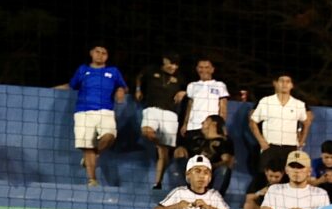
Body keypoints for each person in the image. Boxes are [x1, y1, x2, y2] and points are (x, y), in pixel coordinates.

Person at [58, 46, 127, 187]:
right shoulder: (83, 70)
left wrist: (120, 90)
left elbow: (123, 86)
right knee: (86, 146)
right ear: (91, 53)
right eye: (97, 52)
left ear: (107, 56)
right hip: (83, 112)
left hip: (106, 111)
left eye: (104, 53)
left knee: (109, 136)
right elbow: (71, 85)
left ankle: (94, 155)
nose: (100, 55)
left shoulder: (113, 71)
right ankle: (92, 180)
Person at [135, 54, 185, 191]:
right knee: (146, 132)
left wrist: (183, 92)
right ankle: (159, 143)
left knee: (164, 153)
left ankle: (158, 182)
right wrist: (138, 89)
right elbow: (139, 77)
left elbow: (189, 89)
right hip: (152, 109)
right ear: (164, 61)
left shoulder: (180, 77)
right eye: (171, 64)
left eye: (176, 65)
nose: (173, 67)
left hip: (170, 114)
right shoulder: (151, 70)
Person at [248, 75, 311, 178]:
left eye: (288, 81)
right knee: (264, 179)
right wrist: (262, 142)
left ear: (292, 85)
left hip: (290, 149)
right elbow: (252, 122)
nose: (285, 84)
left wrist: (301, 142)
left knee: (288, 179)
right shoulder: (266, 102)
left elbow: (306, 123)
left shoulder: (298, 104)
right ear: (275, 83)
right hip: (270, 147)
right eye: (281, 81)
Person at [261, 151, 329, 209]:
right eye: (292, 166)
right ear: (286, 170)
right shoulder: (274, 189)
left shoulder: (321, 193)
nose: (296, 171)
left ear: (309, 171)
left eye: (300, 167)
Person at [179, 59, 229, 156]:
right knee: (190, 157)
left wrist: (222, 127)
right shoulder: (192, 86)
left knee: (208, 157)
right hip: (193, 127)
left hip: (210, 128)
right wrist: (185, 124)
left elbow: (223, 108)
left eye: (207, 67)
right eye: (201, 67)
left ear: (212, 70)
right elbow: (190, 106)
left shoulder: (220, 85)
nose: (203, 70)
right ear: (197, 69)